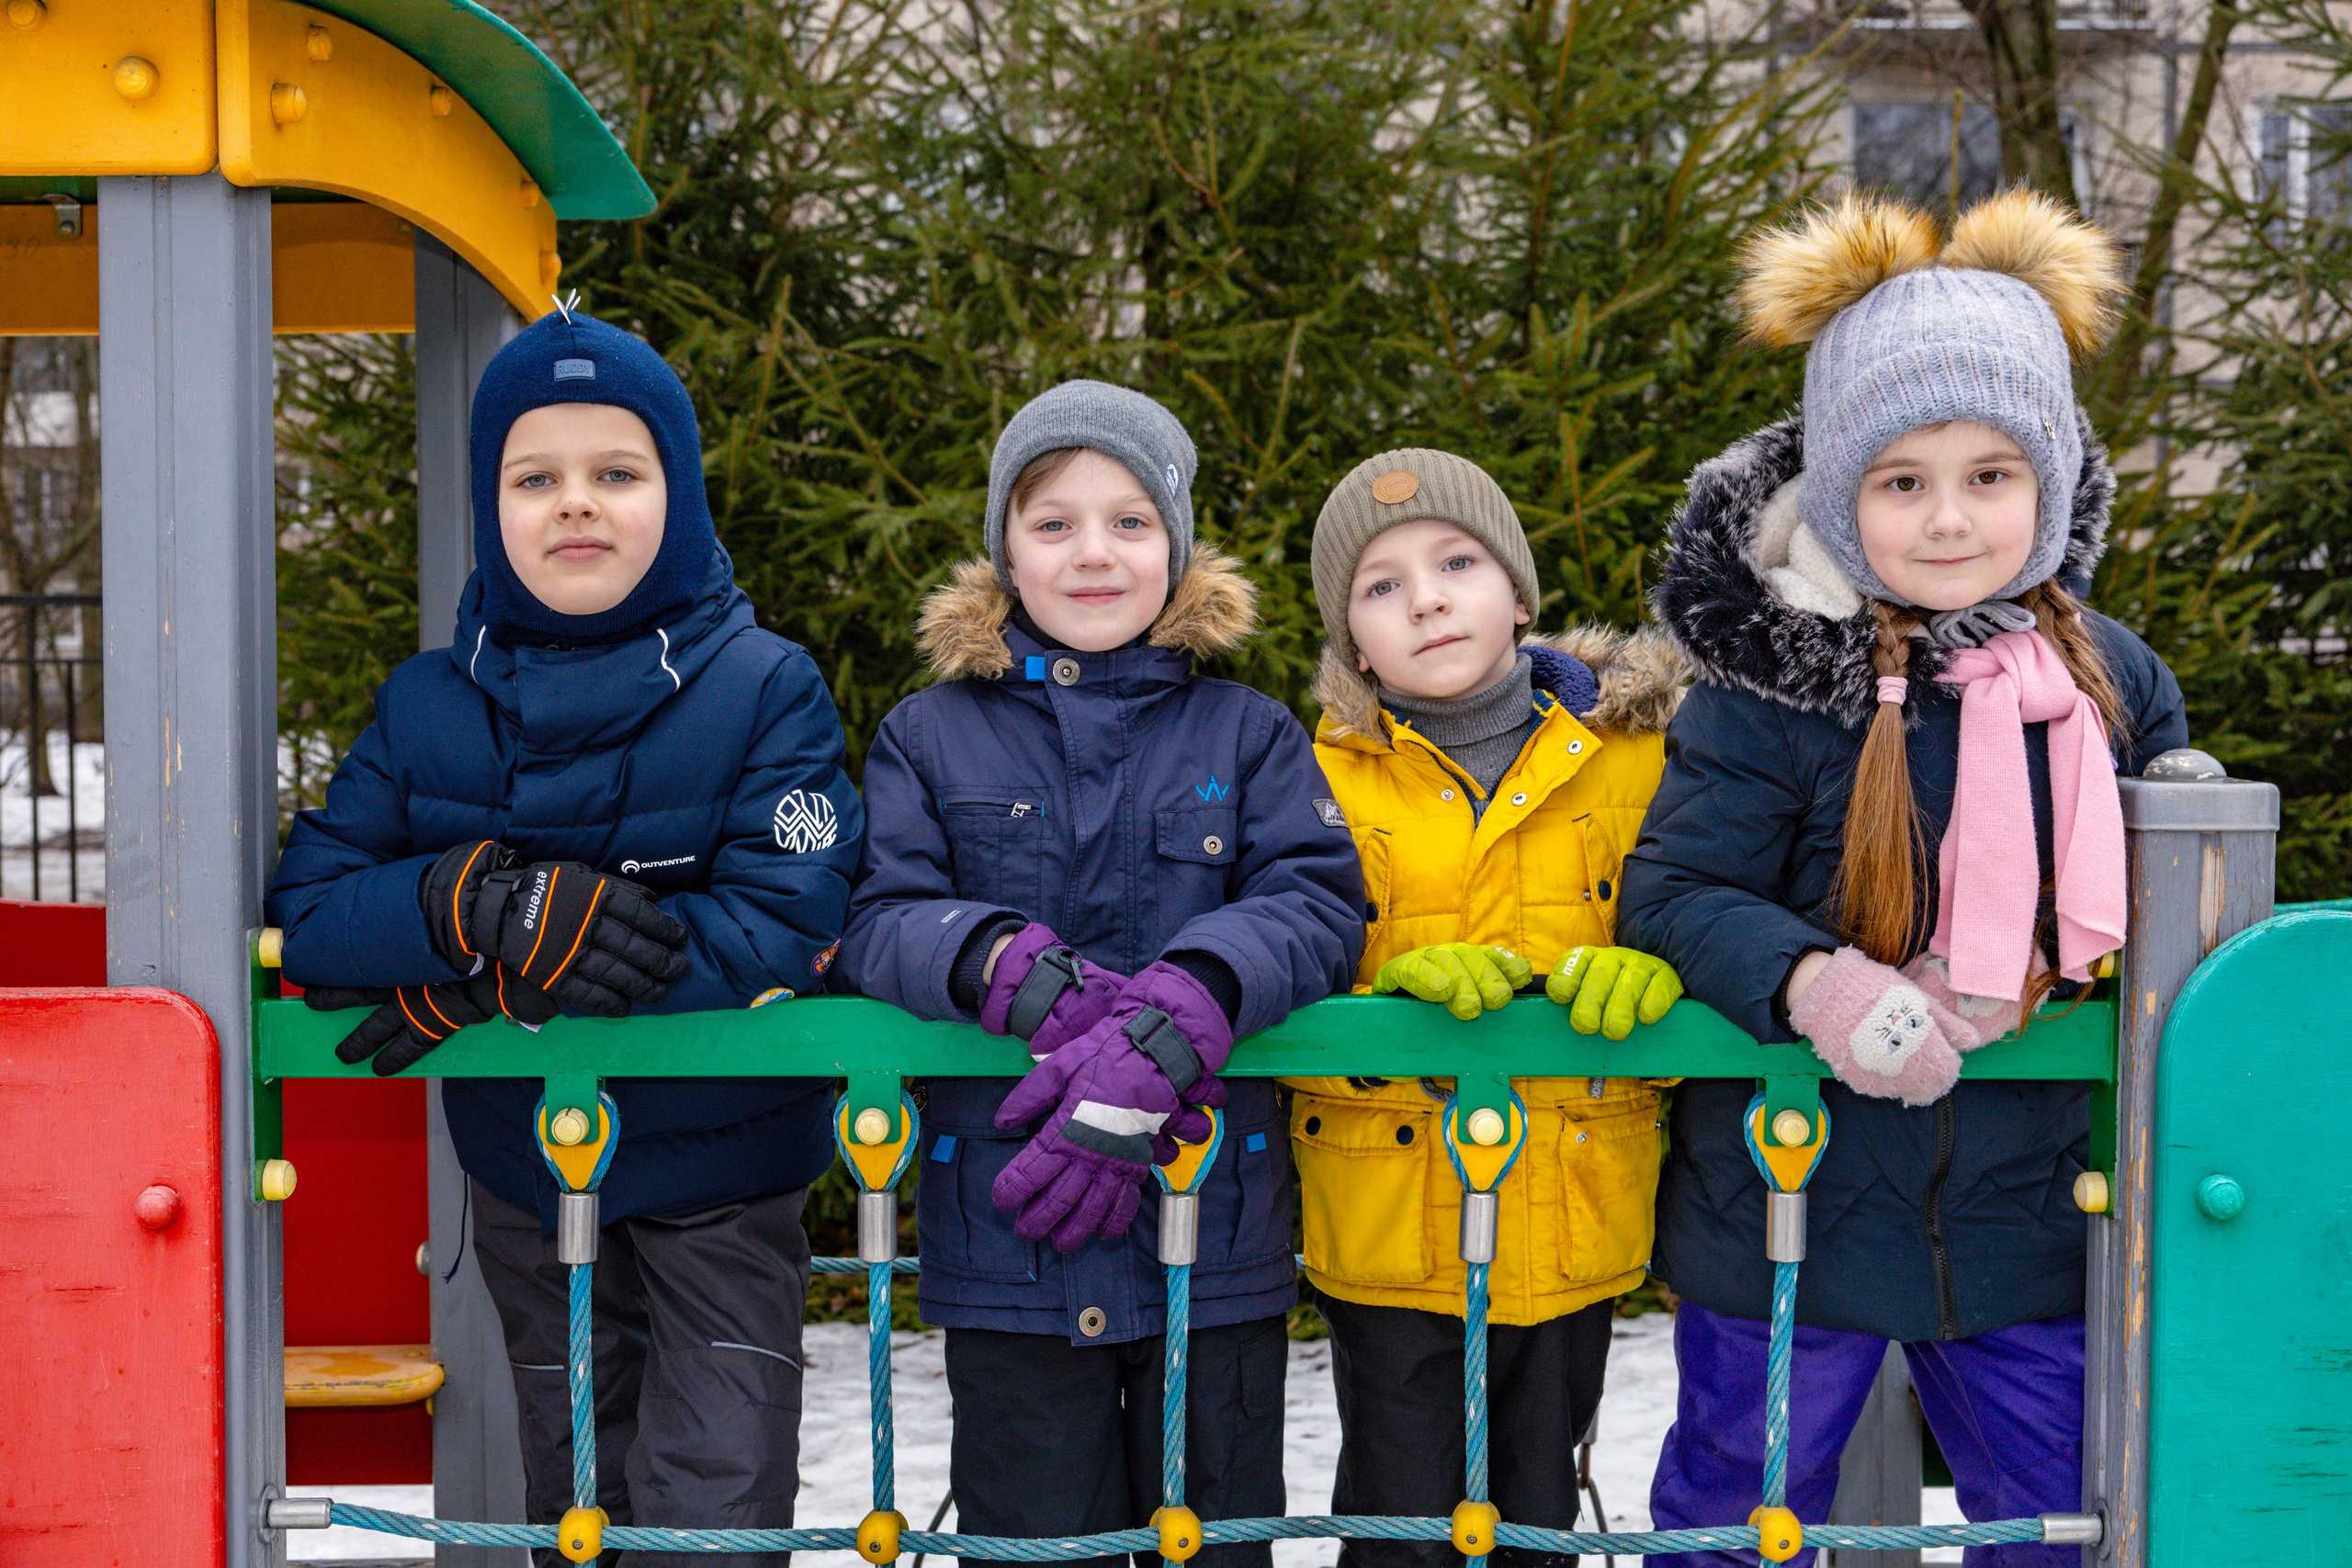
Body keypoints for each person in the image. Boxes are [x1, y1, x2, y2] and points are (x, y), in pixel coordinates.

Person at [1620, 191, 2191, 1564]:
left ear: (2051, 481)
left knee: (2057, 1511)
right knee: (1737, 1510)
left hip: (2028, 1214)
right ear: (1839, 492)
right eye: (1901, 481)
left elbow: (2168, 907)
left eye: (1990, 476)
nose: (1948, 520)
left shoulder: (2105, 678)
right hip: (1786, 1208)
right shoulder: (1768, 692)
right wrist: (1820, 982)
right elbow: (1675, 893)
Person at [266, 310, 864, 1567]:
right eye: (536, 478)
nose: (575, 506)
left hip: (725, 1179)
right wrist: (471, 907)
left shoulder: (764, 684)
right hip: (534, 1180)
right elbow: (311, 909)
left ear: (679, 494)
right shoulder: (430, 705)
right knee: (575, 1499)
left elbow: (781, 912)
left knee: (715, 1500)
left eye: (617, 473)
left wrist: (499, 989)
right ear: (493, 505)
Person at [838, 380, 1363, 1568]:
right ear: (1003, 547)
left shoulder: (1249, 731)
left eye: (1130, 520)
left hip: (1211, 1231)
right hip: (1008, 1234)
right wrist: (1002, 965)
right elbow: (877, 917)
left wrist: (1191, 995)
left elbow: (1319, 902)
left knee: (1214, 1542)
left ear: (1176, 546)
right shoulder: (931, 733)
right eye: (1053, 520)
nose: (1093, 553)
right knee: (1034, 1546)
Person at [1294, 448, 1686, 1568]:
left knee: (1534, 1511)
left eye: (1455, 562)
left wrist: (1664, 988)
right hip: (1385, 1219)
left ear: (1517, 592)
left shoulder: (1642, 759)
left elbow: (1697, 920)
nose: (1424, 597)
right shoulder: (1314, 774)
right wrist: (1370, 1007)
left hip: (1571, 1206)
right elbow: (1284, 966)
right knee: (1399, 1515)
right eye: (1380, 586)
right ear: (1351, 641)